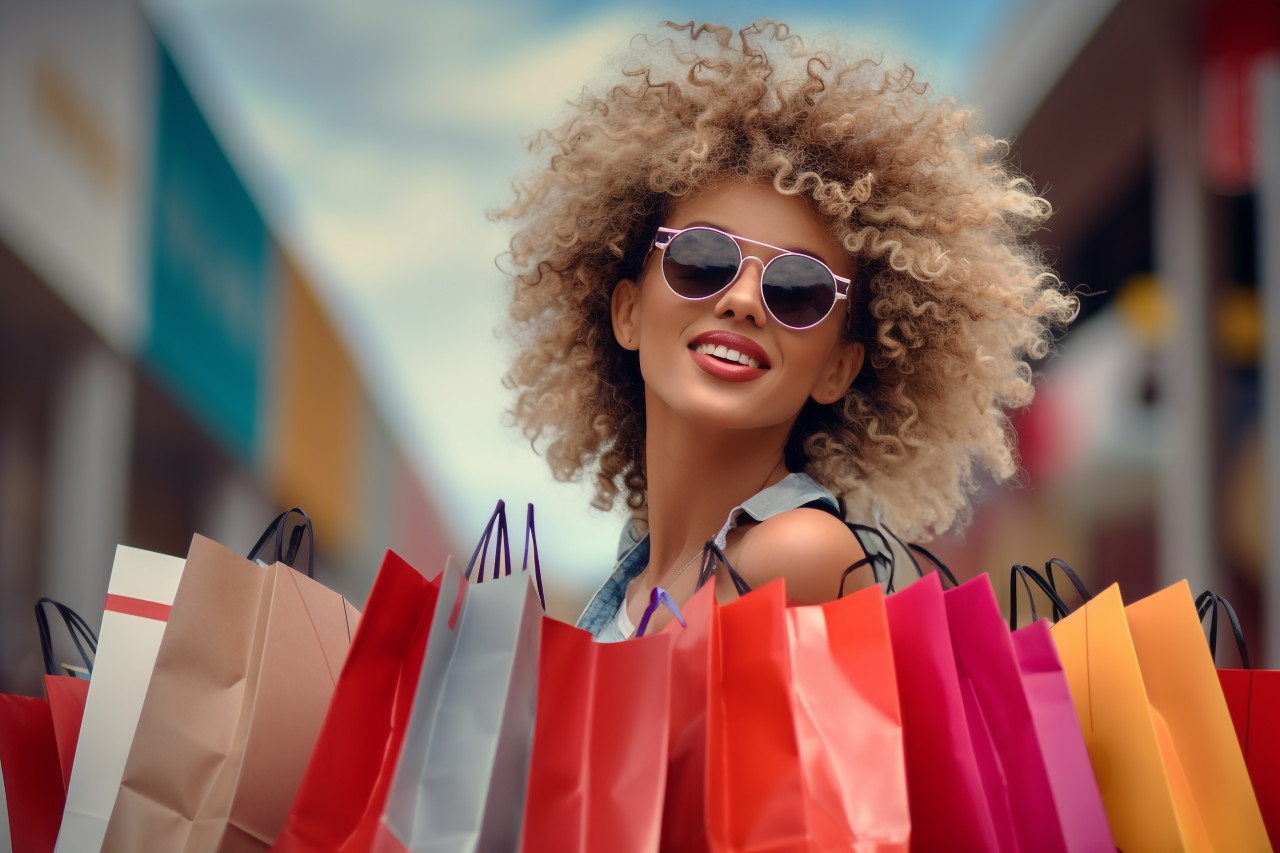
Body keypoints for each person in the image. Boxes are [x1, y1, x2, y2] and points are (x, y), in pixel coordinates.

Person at [495, 20, 1076, 640]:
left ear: (838, 369)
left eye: (799, 289)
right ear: (627, 312)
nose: (744, 300)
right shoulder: (638, 586)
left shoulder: (794, 556)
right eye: (703, 260)